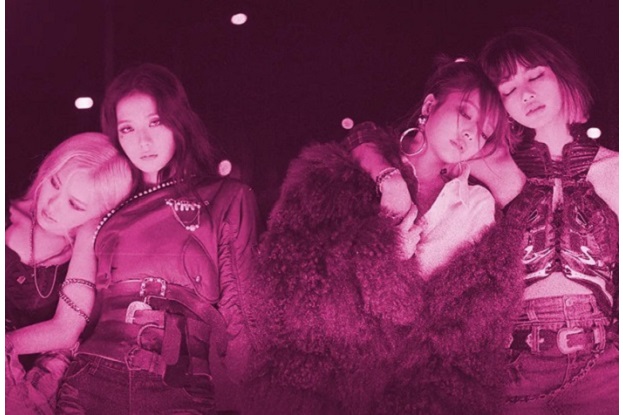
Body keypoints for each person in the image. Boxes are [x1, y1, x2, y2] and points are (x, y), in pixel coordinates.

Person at [242, 58, 526, 414]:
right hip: (329, 384)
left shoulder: (476, 205)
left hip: (419, 395)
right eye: (465, 113)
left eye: (484, 133)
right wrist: (382, 232)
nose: (470, 134)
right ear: (429, 106)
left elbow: (465, 328)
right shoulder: (349, 172)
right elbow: (292, 278)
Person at [55, 63, 260, 414]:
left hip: (180, 390)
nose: (143, 142)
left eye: (156, 122)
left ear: (179, 121)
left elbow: (242, 317)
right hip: (91, 381)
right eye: (127, 128)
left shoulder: (227, 197)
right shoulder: (108, 207)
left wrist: (257, 397)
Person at [476, 28, 618, 415]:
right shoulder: (491, 166)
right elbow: (419, 148)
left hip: (605, 365)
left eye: (535, 75)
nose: (525, 94)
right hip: (514, 364)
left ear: (560, 74)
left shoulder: (615, 168)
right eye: (507, 88)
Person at [6, 132, 134, 415]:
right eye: (54, 183)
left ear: (99, 214)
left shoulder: (82, 249)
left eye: (75, 204)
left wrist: (88, 231)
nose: (52, 205)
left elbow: (66, 330)